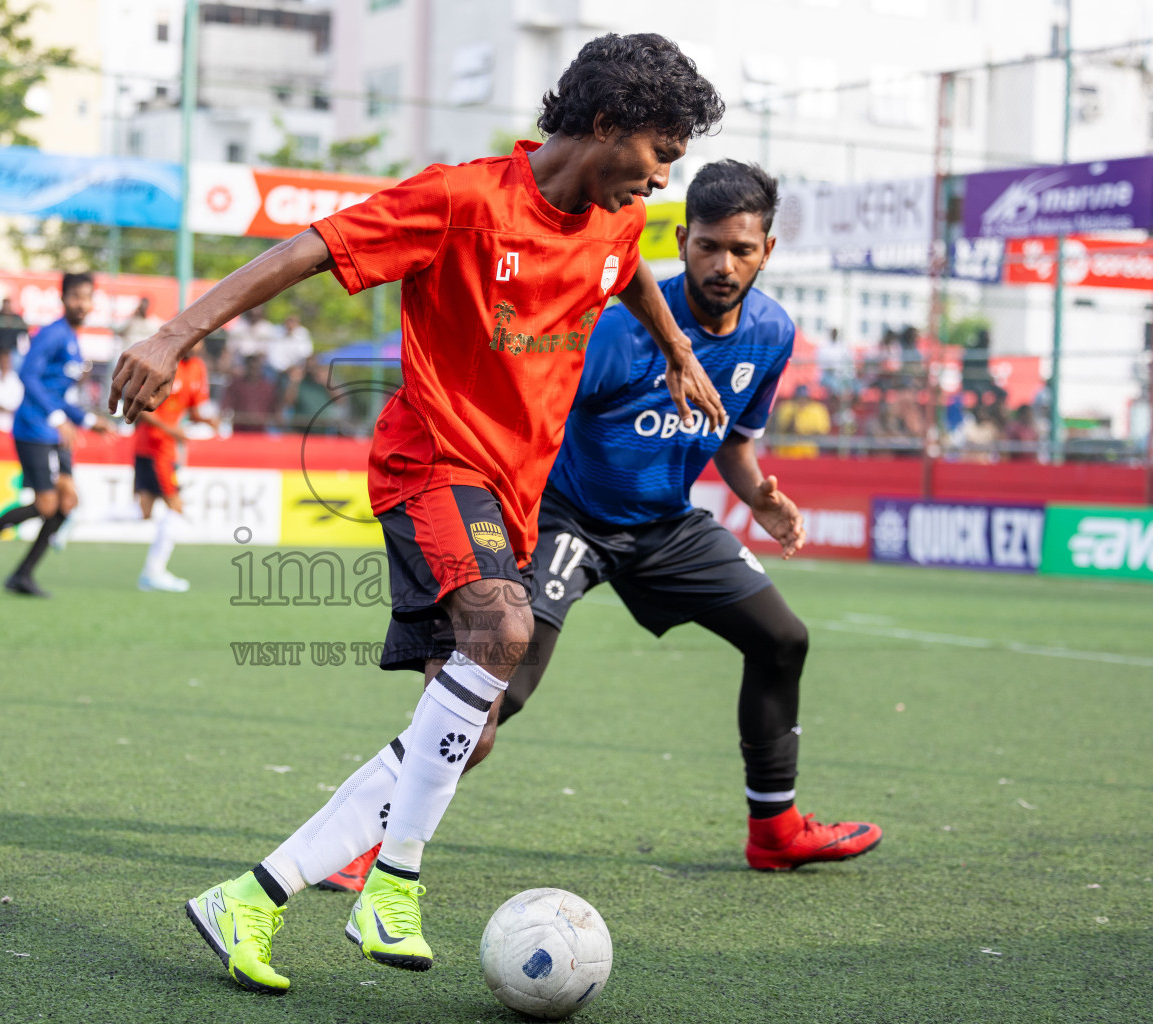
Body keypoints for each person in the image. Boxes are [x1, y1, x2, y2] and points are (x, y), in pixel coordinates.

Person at [111, 32, 726, 995]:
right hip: (429, 463)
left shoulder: (615, 217)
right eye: (657, 155)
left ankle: (251, 898)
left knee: (465, 728)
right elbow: (309, 250)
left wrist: (679, 351)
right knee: (503, 626)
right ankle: (394, 880)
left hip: (511, 494)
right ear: (605, 125)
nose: (660, 183)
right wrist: (173, 333)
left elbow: (629, 270)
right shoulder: (462, 198)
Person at [322, 161, 880, 895]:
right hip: (570, 516)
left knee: (782, 638)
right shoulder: (623, 327)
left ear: (767, 252)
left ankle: (774, 830)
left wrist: (762, 497)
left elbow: (735, 437)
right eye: (708, 245)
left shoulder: (772, 332)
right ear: (682, 241)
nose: (723, 264)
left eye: (742, 250)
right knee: (499, 689)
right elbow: (536, 409)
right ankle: (366, 839)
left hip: (666, 524)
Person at [0, 272, 110, 598]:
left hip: (54, 431)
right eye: (76, 296)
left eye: (87, 296)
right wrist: (58, 418)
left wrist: (88, 420)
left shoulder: (75, 341)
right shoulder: (53, 334)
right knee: (48, 504)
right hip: (33, 429)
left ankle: (21, 575)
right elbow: (28, 375)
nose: (82, 303)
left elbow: (57, 393)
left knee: (66, 503)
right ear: (63, 300)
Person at [133, 341, 217, 592]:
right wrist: (171, 430)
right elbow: (140, 406)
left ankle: (76, 517)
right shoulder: (162, 365)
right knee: (175, 508)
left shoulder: (198, 367)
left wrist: (210, 421)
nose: (197, 342)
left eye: (202, 337)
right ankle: (153, 572)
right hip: (155, 447)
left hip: (166, 448)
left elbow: (196, 406)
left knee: (143, 511)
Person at [222, 353, 282, 431]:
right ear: (246, 367)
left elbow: (276, 412)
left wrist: (262, 418)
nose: (253, 370)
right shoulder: (236, 385)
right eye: (251, 367)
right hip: (239, 431)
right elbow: (225, 407)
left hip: (260, 432)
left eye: (256, 367)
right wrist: (241, 417)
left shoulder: (268, 387)